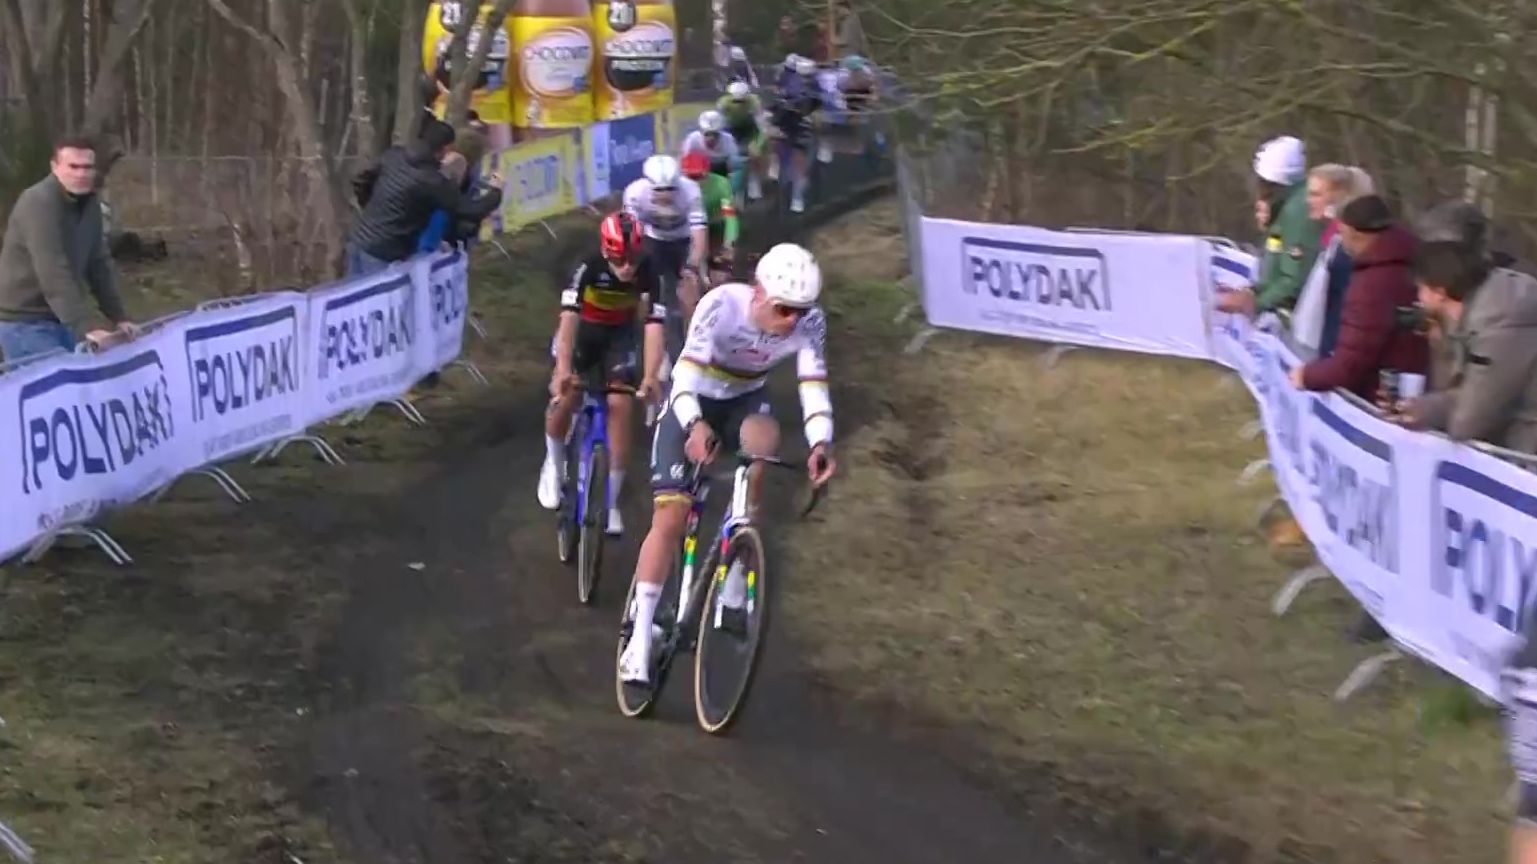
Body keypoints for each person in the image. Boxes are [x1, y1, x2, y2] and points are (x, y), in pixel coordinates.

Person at [618, 243, 837, 684]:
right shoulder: (722, 306)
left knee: (763, 446)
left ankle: (736, 563)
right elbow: (683, 378)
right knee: (671, 516)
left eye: (800, 311)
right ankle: (638, 639)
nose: (792, 321)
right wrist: (694, 424)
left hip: (745, 398)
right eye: (783, 309)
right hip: (694, 397)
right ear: (759, 293)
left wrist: (821, 442)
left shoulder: (810, 322)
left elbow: (813, 383)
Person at [538, 212, 666, 535]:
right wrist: (562, 369)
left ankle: (611, 501)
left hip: (619, 339)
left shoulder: (650, 270)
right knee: (566, 396)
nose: (627, 267)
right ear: (606, 251)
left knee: (621, 405)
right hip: (583, 334)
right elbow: (568, 322)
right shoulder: (587, 266)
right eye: (619, 259)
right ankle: (554, 462)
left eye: (632, 258)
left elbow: (653, 328)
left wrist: (651, 376)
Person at [0, 133, 137, 362]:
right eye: (73, 166)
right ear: (55, 167)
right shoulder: (38, 203)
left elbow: (98, 264)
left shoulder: (91, 204)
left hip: (62, 318)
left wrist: (120, 317)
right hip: (25, 320)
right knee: (57, 383)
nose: (81, 174)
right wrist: (85, 329)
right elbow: (53, 272)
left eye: (87, 167)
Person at [1390, 238, 1537, 451]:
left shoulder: (1499, 325)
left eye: (1420, 288)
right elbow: (1464, 392)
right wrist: (1424, 408)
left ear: (1439, 293)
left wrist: (1427, 411)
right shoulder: (1475, 314)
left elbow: (1468, 422)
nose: (1418, 299)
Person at [1288, 194, 1426, 399]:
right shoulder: (1411, 258)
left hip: (1379, 395)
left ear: (1354, 233)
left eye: (1341, 233)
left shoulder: (1371, 285)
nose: (1340, 241)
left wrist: (1307, 376)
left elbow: (1351, 361)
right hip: (1414, 384)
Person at [347, 119, 502, 277]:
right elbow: (470, 210)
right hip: (384, 252)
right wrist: (496, 192)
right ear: (446, 148)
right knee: (380, 292)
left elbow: (361, 181)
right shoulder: (432, 180)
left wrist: (370, 208)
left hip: (358, 238)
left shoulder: (394, 155)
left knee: (353, 290)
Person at [1216, 135, 1323, 318]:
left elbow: (1294, 281)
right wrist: (1251, 292)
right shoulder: (1283, 212)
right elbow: (1275, 262)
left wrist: (1255, 304)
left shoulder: (1296, 212)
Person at [621, 155, 709, 355]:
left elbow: (699, 234)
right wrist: (635, 266)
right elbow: (631, 235)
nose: (665, 195)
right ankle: (646, 345)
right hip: (654, 241)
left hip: (684, 240)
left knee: (690, 293)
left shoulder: (691, 191)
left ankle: (695, 347)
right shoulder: (635, 193)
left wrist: (692, 267)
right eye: (659, 190)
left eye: (670, 189)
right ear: (649, 184)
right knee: (645, 296)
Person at [1289, 164, 1373, 357]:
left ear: (1340, 197)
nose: (1308, 200)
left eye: (1316, 194)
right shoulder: (1330, 238)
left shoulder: (1347, 248)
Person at [768, 56, 825, 213]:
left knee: (796, 165)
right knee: (798, 165)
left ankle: (794, 195)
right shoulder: (804, 86)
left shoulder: (806, 87)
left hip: (796, 129)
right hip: (794, 128)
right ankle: (794, 196)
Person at [680, 150, 739, 283]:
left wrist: (730, 240)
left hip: (716, 223)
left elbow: (730, 216)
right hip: (691, 226)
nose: (695, 181)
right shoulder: (679, 186)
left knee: (722, 262)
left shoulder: (721, 184)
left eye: (698, 176)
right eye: (691, 177)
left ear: (707, 172)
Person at [717, 81, 769, 200]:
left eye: (742, 101)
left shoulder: (754, 101)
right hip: (730, 128)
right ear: (730, 96)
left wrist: (758, 145)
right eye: (736, 101)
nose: (739, 104)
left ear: (747, 97)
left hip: (749, 128)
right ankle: (728, 181)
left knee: (755, 153)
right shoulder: (723, 103)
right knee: (729, 156)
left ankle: (754, 181)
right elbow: (719, 124)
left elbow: (761, 126)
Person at [680, 109, 742, 192]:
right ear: (701, 133)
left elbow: (735, 168)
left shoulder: (728, 140)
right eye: (707, 134)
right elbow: (684, 164)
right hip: (699, 174)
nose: (711, 138)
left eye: (715, 135)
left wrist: (731, 188)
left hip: (722, 173)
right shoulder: (693, 139)